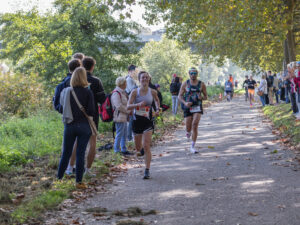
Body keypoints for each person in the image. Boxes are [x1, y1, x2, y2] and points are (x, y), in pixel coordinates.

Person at [57, 67, 95, 189]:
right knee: (80, 153)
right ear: (84, 77)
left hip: (70, 125)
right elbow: (91, 111)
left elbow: (61, 107)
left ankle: (59, 179)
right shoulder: (88, 92)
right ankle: (79, 181)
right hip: (84, 126)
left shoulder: (66, 91)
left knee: (66, 153)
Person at [127, 71, 160, 179]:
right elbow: (128, 106)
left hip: (148, 121)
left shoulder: (153, 91)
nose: (145, 79)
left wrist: (157, 109)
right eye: (143, 78)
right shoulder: (134, 92)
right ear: (139, 79)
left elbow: (156, 101)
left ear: (149, 79)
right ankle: (140, 150)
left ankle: (147, 170)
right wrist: (138, 105)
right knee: (138, 148)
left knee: (146, 145)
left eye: (146, 77)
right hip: (137, 121)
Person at [83, 56, 106, 176]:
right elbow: (102, 99)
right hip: (93, 114)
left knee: (78, 141)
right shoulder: (96, 81)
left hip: (78, 114)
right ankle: (88, 169)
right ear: (92, 67)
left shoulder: (76, 79)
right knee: (92, 142)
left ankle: (74, 167)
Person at [178, 67, 207, 153]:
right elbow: (180, 96)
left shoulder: (201, 84)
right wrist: (184, 102)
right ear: (189, 74)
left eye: (195, 73)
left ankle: (192, 146)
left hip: (197, 107)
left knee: (195, 125)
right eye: (192, 73)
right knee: (188, 126)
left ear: (197, 74)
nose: (193, 75)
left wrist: (201, 97)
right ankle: (188, 131)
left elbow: (206, 96)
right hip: (188, 107)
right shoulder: (185, 84)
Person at [111, 77, 132, 155]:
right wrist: (128, 111)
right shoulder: (116, 93)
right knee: (119, 134)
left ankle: (124, 149)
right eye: (125, 83)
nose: (126, 84)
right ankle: (116, 150)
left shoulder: (123, 92)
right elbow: (118, 105)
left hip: (124, 116)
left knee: (124, 134)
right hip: (119, 117)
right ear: (122, 84)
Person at [125, 64, 137, 142]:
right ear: (130, 71)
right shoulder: (129, 79)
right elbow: (131, 91)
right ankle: (129, 138)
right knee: (131, 120)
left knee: (132, 119)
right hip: (130, 102)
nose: (135, 73)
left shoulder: (131, 79)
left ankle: (131, 136)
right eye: (134, 71)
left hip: (132, 102)